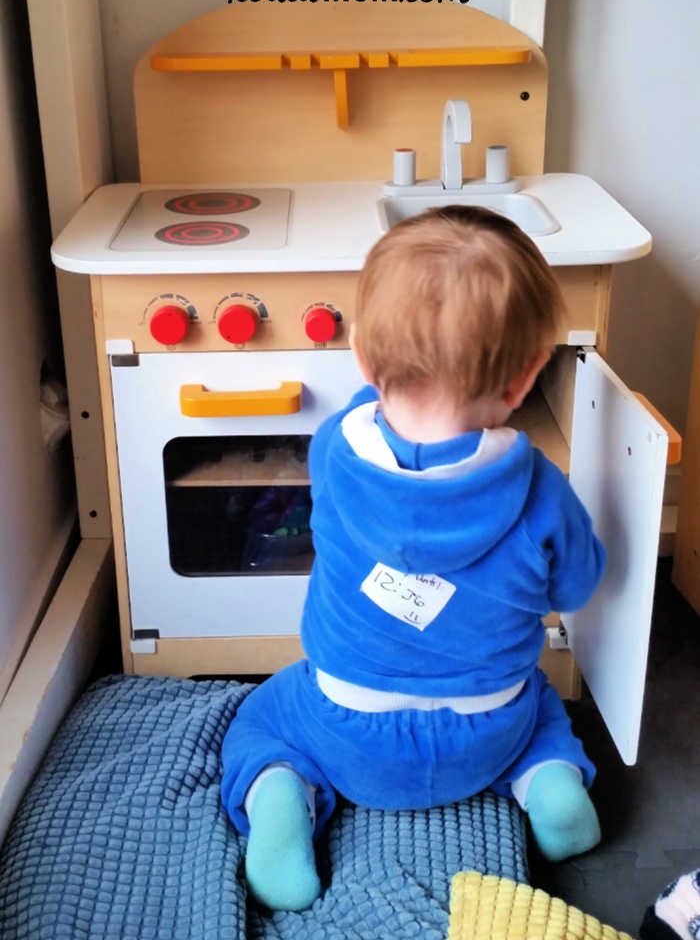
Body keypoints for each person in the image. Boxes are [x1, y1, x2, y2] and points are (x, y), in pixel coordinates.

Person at [220, 205, 606, 911]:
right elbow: (578, 586)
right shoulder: (542, 491)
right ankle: (551, 784)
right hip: (486, 731)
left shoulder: (333, 448)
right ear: (524, 382)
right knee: (544, 708)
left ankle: (280, 799)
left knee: (265, 716)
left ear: (362, 358)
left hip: (347, 729)